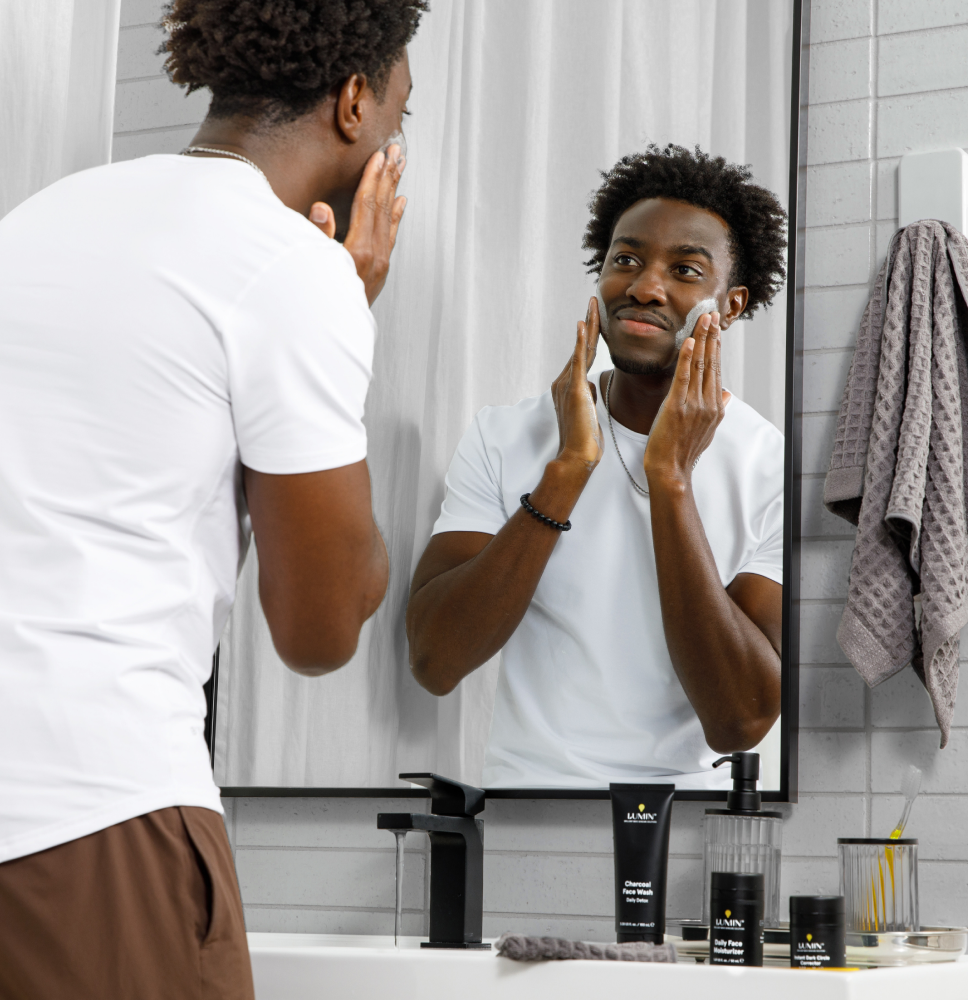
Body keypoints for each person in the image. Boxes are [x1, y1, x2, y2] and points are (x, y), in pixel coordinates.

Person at [0, 1, 427, 996]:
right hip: (95, 817)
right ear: (355, 103)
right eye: (402, 115)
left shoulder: (36, 221)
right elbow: (318, 627)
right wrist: (343, 312)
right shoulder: (289, 271)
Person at [406, 145, 788, 789]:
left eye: (686, 269)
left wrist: (669, 478)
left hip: (695, 827)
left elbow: (739, 720)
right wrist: (568, 470)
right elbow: (435, 662)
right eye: (627, 260)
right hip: (529, 812)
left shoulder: (770, 464)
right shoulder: (504, 436)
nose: (644, 287)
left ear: (729, 304)